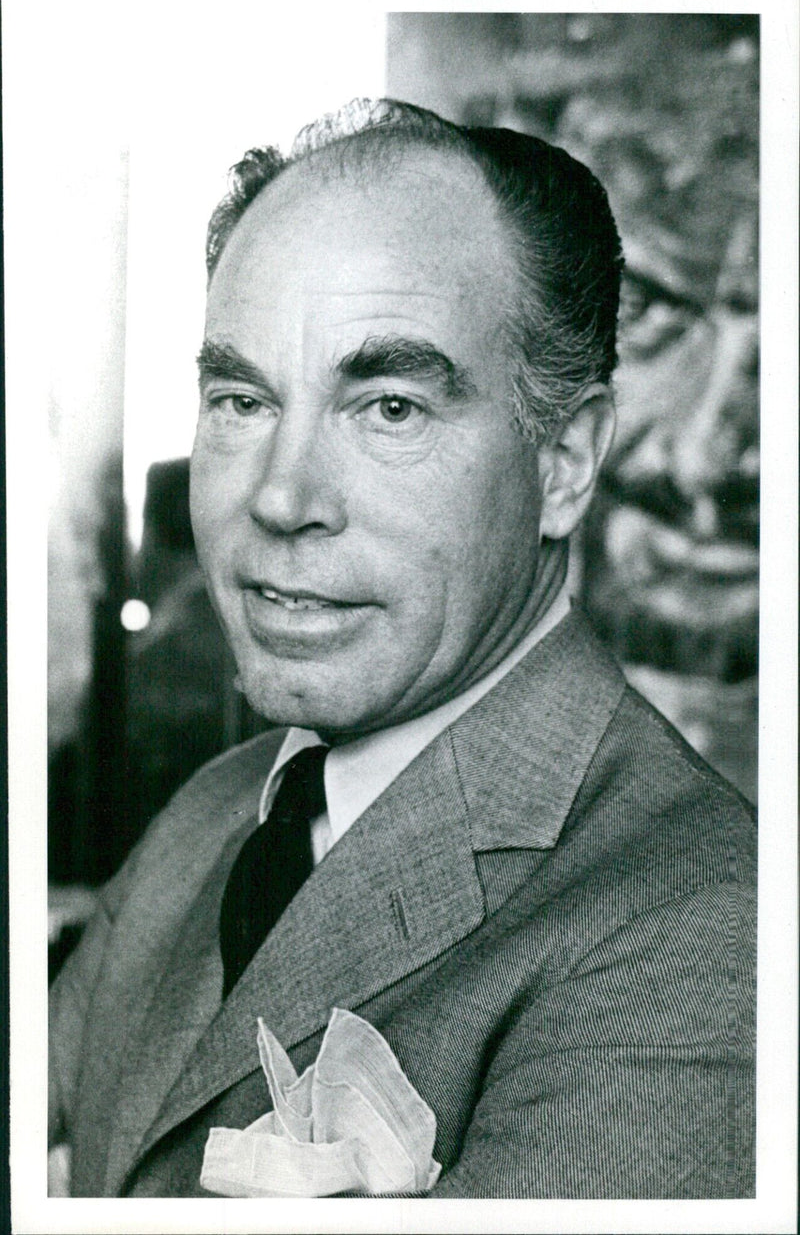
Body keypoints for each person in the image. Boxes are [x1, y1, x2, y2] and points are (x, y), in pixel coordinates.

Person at [48, 99, 756, 1199]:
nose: (280, 498)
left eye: (387, 408)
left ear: (562, 464)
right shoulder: (212, 813)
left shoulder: (705, 929)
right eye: (241, 398)